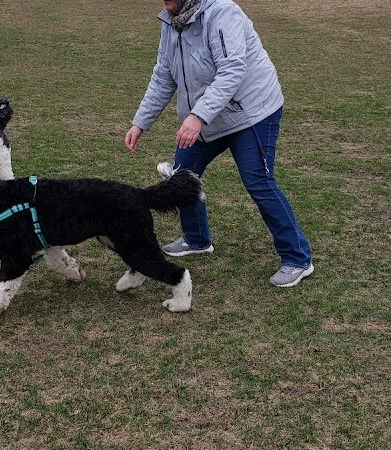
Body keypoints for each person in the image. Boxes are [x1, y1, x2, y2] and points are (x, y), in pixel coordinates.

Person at [124, 0, 313, 287]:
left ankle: (298, 258)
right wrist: (140, 123)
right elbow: (164, 76)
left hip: (251, 112)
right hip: (211, 113)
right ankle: (196, 239)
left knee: (258, 181)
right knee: (182, 174)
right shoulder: (171, 22)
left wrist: (198, 116)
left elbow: (232, 70)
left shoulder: (222, 13)